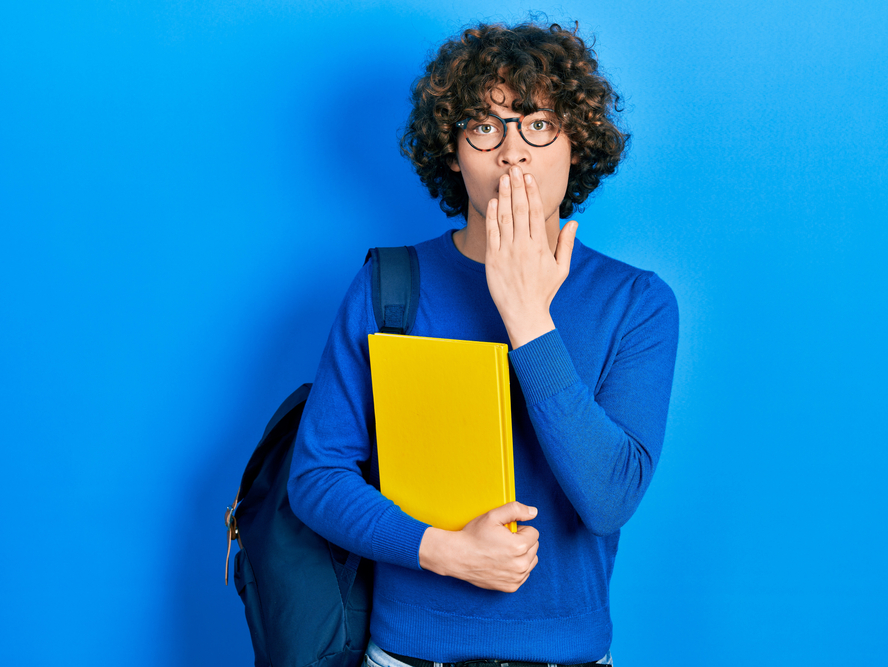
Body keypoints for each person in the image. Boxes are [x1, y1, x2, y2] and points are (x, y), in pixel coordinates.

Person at [288, 19, 679, 667]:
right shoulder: (389, 287)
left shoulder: (636, 303)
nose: (512, 152)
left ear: (575, 144)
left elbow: (609, 500)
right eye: (484, 125)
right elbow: (317, 477)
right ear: (452, 149)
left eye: (538, 124)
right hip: (408, 656)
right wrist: (442, 548)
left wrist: (527, 315)